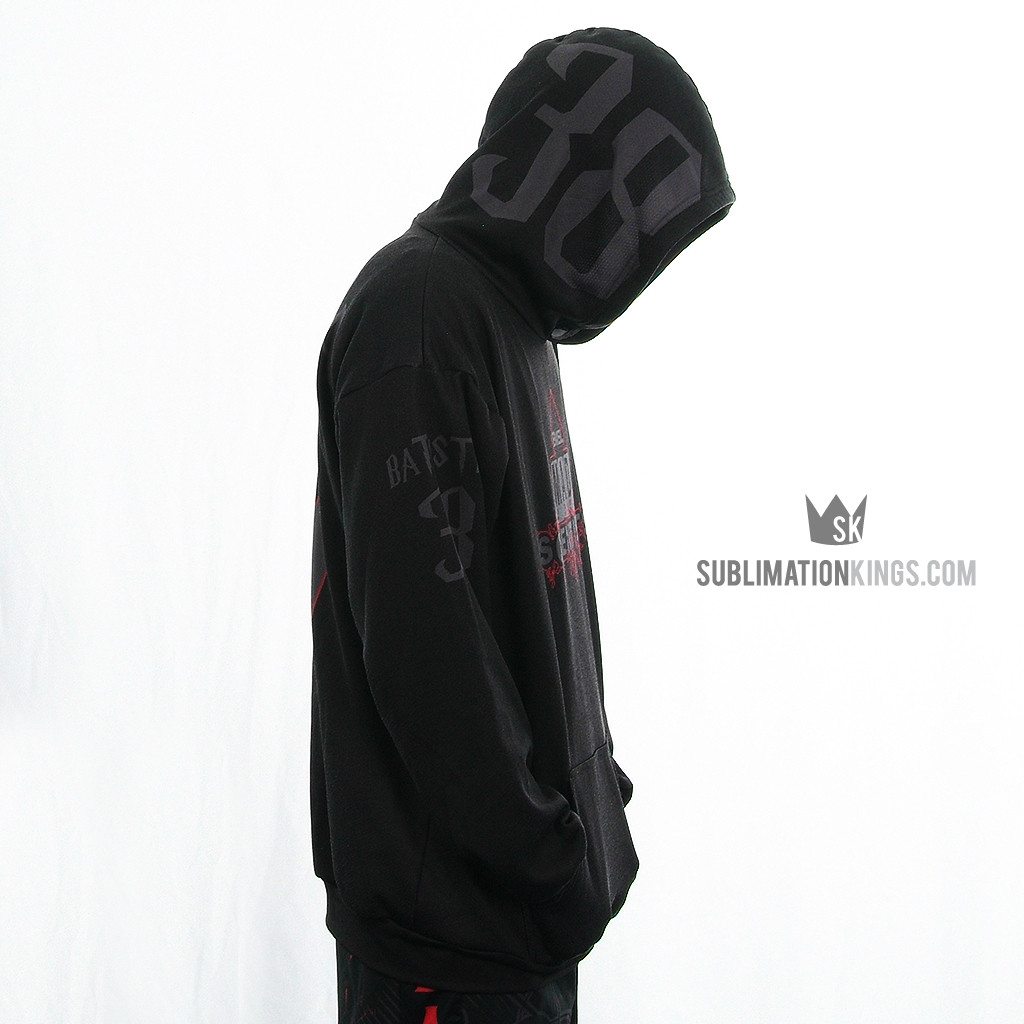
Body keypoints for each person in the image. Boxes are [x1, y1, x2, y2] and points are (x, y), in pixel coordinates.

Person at [310, 25, 735, 1023]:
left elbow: (534, 611)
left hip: (504, 925)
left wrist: (588, 804)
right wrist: (547, 851)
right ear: (569, 171)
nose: (636, 256)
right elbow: (428, 654)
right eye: (635, 204)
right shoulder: (419, 316)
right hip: (452, 946)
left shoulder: (504, 318)